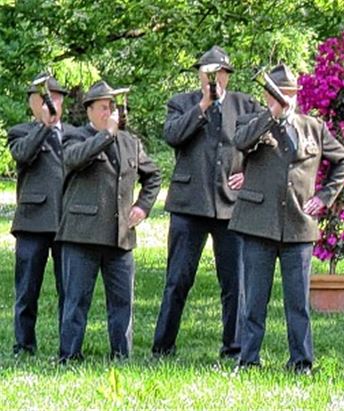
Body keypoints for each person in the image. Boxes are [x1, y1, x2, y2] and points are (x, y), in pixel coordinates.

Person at [231, 63, 344, 374]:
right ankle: (248, 359)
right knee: (254, 299)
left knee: (297, 301)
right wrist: (269, 116)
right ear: (267, 96)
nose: (286, 99)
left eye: (290, 93)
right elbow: (240, 143)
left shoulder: (313, 127)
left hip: (299, 224)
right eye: (279, 94)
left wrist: (324, 197)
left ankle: (301, 361)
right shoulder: (254, 122)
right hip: (258, 222)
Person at [153, 45, 260, 359]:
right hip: (189, 204)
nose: (214, 78)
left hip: (230, 206)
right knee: (177, 279)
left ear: (227, 76)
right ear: (199, 75)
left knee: (234, 282)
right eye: (208, 73)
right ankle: (163, 346)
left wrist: (249, 174)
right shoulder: (181, 103)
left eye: (219, 73)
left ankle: (234, 348)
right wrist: (203, 105)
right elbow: (172, 136)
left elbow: (261, 146)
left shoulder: (246, 105)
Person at [58, 80, 162, 362]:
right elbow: (74, 159)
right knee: (76, 300)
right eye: (103, 108)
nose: (109, 112)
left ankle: (121, 355)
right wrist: (107, 134)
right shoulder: (73, 136)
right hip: (82, 234)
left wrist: (142, 206)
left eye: (111, 107)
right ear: (89, 111)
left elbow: (153, 175)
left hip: (120, 235)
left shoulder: (130, 142)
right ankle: (69, 355)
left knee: (122, 302)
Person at [6, 72, 69, 356]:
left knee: (68, 289)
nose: (51, 103)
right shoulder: (20, 131)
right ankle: (24, 345)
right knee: (27, 289)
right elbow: (23, 154)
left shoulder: (74, 134)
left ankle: (68, 346)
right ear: (32, 103)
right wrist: (44, 125)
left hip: (67, 220)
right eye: (44, 99)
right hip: (33, 221)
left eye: (55, 98)